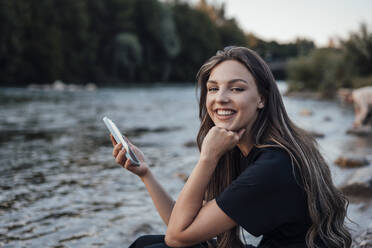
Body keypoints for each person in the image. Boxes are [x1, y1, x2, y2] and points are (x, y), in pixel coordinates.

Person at [111, 46, 351, 248]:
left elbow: (177, 236)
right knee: (146, 242)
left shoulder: (273, 166)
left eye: (236, 88)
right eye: (213, 88)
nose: (220, 98)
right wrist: (146, 174)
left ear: (262, 98)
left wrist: (207, 158)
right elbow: (183, 224)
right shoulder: (253, 149)